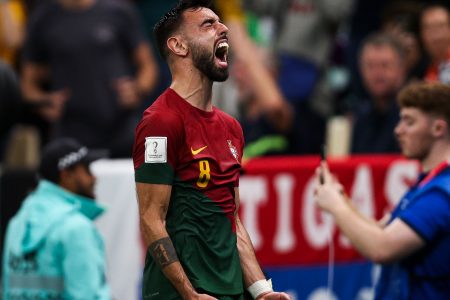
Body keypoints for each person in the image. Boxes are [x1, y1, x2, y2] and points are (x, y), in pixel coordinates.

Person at [132, 1, 291, 299]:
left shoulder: (232, 128)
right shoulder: (160, 123)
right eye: (208, 24)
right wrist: (189, 294)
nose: (224, 28)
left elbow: (232, 219)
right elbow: (151, 218)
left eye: (220, 21)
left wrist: (259, 290)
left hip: (230, 291)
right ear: (179, 45)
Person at [314, 82, 450, 299]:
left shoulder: (441, 195)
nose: (398, 130)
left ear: (438, 129)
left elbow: (382, 248)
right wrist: (340, 198)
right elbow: (382, 230)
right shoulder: (425, 185)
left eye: (409, 122)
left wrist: (336, 206)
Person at [21, 0, 159, 158]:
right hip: (70, 135)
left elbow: (148, 65)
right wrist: (44, 102)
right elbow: (27, 85)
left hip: (123, 131)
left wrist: (138, 89)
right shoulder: (43, 17)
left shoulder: (119, 10)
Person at [2, 138, 111, 299]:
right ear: (66, 175)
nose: (94, 178)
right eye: (87, 170)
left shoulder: (18, 223)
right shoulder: (76, 228)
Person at [351, 33, 406, 154]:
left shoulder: (413, 117)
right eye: (370, 66)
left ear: (401, 69)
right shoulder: (360, 118)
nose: (377, 74)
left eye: (385, 65)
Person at [420, 3, 450, 84]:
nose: (436, 35)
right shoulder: (420, 71)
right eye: (430, 28)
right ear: (422, 34)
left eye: (441, 26)